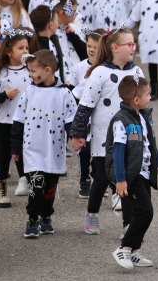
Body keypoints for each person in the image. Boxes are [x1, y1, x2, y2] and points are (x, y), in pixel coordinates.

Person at [71, 28, 144, 235]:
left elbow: (144, 107)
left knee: (127, 179)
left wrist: (147, 131)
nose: (133, 48)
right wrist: (77, 134)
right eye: (128, 44)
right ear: (114, 48)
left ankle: (127, 223)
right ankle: (92, 213)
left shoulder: (136, 72)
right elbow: (85, 106)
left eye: (134, 44)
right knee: (102, 179)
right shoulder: (99, 73)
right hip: (104, 139)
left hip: (130, 138)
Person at [11, 49, 77, 238]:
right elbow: (18, 120)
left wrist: (75, 137)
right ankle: (32, 219)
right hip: (33, 150)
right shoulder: (29, 92)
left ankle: (46, 216)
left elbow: (71, 120)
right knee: (36, 186)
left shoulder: (64, 93)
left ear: (48, 70)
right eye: (29, 71)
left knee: (49, 189)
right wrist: (16, 147)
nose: (30, 75)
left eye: (33, 71)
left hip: (54, 151)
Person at [106, 74, 158, 269]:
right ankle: (123, 249)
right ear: (136, 100)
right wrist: (121, 179)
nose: (150, 97)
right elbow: (117, 152)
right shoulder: (121, 121)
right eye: (148, 94)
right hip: (130, 175)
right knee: (145, 211)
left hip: (142, 173)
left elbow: (149, 145)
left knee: (140, 213)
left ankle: (133, 251)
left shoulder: (143, 117)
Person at [0, 28, 33, 206]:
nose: (25, 51)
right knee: (3, 155)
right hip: (3, 121)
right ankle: (1, 188)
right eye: (20, 48)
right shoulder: (1, 72)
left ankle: (25, 180)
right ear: (9, 51)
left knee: (24, 151)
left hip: (25, 121)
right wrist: (4, 95)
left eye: (27, 47)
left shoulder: (31, 71)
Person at [69, 28, 105, 199]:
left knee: (99, 149)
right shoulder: (79, 68)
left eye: (95, 47)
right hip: (83, 113)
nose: (91, 49)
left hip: (100, 114)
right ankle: (84, 179)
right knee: (84, 149)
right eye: (88, 46)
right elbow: (73, 90)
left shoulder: (105, 68)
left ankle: (99, 179)